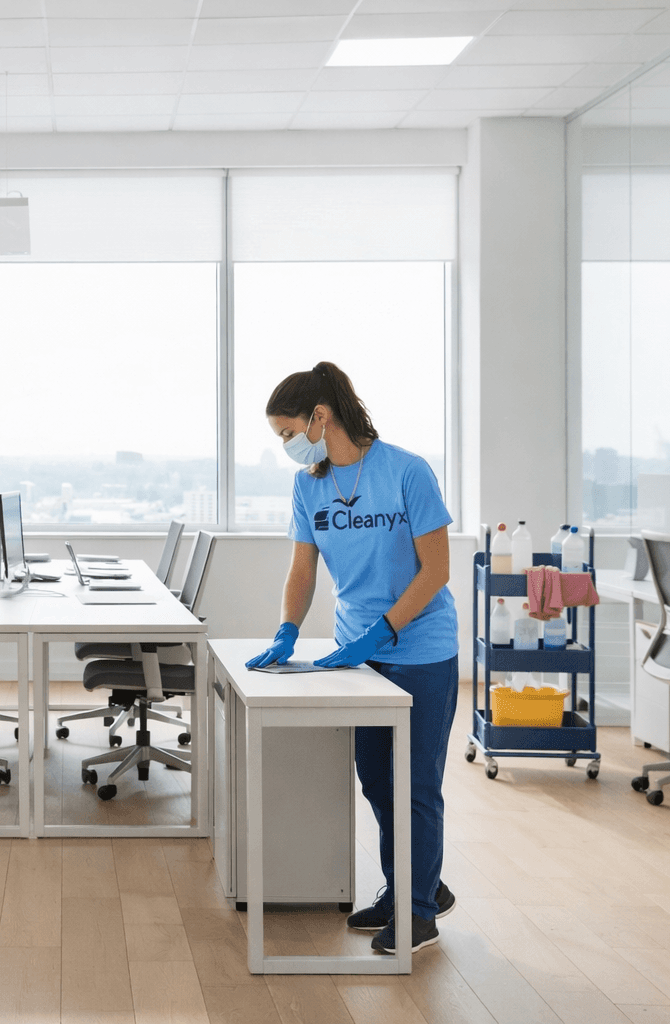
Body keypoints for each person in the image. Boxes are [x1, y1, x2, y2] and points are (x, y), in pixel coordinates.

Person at [246, 361, 459, 955]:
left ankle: (418, 913)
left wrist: (384, 632)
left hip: (420, 649)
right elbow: (303, 567)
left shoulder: (405, 471)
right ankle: (411, 888)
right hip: (359, 658)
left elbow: (436, 570)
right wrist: (288, 630)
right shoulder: (309, 485)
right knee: (376, 779)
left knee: (415, 784)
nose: (286, 445)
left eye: (287, 431)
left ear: (321, 416)